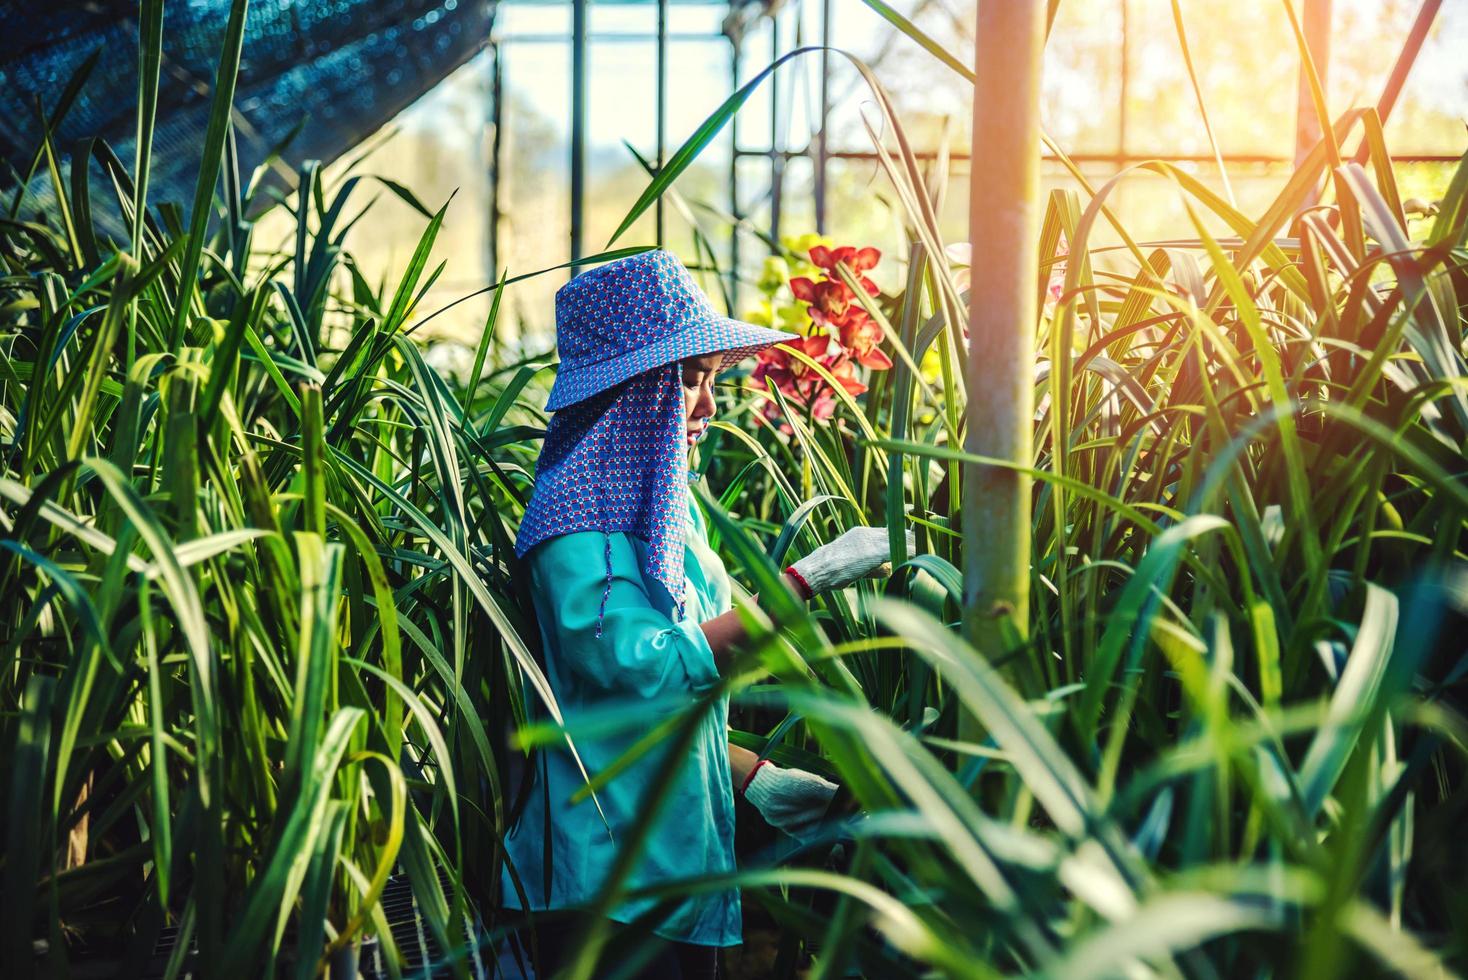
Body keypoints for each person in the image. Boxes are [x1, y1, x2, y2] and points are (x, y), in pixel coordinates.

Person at [500, 249, 911, 979]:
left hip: (685, 861)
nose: (709, 408)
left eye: (712, 381)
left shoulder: (669, 517)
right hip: (609, 884)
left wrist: (758, 778)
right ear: (632, 393)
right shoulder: (573, 532)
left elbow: (679, 696)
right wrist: (804, 581)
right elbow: (649, 670)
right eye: (690, 381)